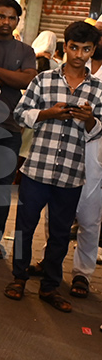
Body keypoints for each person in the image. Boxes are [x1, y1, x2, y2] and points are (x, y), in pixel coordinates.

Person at [4, 20, 102, 312]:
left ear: (93, 50)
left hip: (72, 173)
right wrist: (48, 113)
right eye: (74, 47)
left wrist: (87, 119)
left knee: (60, 233)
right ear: (64, 47)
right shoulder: (44, 79)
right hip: (37, 169)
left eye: (86, 49)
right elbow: (21, 114)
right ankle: (18, 278)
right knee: (24, 227)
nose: (79, 54)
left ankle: (50, 287)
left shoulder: (97, 89)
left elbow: (99, 130)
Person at [0, 0, 37, 258]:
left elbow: (27, 79)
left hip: (10, 128)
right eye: (1, 16)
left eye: (12, 18)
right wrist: (9, 77)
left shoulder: (25, 50)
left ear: (17, 21)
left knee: (2, 189)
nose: (6, 22)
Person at [69, 29, 102, 298]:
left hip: (95, 152)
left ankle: (82, 274)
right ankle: (50, 259)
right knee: (57, 212)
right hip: (62, 149)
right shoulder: (72, 67)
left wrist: (91, 120)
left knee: (90, 218)